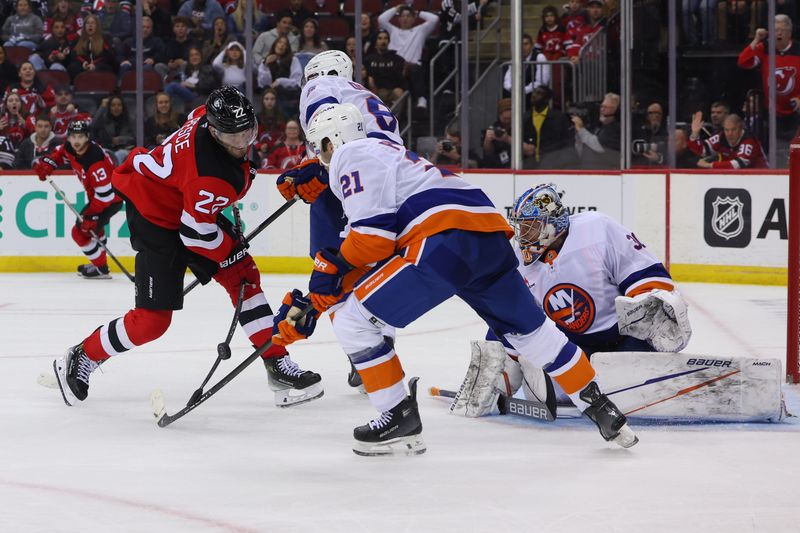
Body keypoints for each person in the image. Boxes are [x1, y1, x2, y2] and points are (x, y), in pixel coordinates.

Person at [273, 104, 639, 455]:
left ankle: (398, 416)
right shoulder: (389, 154)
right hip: (488, 234)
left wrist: (324, 281)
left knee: (353, 321)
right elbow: (371, 249)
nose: (320, 157)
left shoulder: (348, 157)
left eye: (319, 147)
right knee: (531, 333)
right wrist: (317, 298)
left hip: (444, 240)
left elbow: (371, 242)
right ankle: (600, 406)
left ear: (331, 140)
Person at [51, 86, 323, 409]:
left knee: (243, 275)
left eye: (248, 133)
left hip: (182, 203)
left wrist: (230, 254)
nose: (243, 144)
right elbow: (196, 234)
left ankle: (275, 360)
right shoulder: (209, 176)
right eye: (234, 138)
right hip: (154, 215)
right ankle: (83, 355)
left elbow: (200, 209)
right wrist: (227, 249)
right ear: (215, 131)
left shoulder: (205, 120)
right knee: (152, 321)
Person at [453, 184, 691, 418]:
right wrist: (496, 372)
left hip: (626, 336)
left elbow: (643, 271)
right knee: (551, 389)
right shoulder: (518, 264)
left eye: (531, 227)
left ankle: (657, 366)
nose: (523, 236)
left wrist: (649, 304)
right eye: (522, 227)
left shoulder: (597, 229)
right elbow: (514, 318)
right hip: (575, 348)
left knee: (658, 308)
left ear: (552, 224)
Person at [276, 50, 403, 390]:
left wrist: (316, 169)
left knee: (329, 267)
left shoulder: (322, 85)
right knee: (370, 264)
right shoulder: (370, 98)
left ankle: (363, 351)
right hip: (386, 183)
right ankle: (381, 342)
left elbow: (331, 132)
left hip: (348, 180)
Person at [33, 120, 123, 278]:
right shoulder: (70, 147)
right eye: (73, 136)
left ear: (87, 137)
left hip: (110, 201)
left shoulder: (95, 160)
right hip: (98, 197)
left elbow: (106, 195)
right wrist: (50, 165)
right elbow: (60, 154)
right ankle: (99, 261)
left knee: (79, 232)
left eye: (80, 136)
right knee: (93, 229)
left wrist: (91, 215)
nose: (76, 141)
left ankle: (101, 268)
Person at [737, 14, 800, 160]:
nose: (779, 33)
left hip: (796, 109)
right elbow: (743, 62)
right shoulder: (764, 48)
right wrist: (756, 39)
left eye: (782, 30)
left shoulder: (798, 50)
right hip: (772, 110)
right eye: (775, 30)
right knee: (776, 153)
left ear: (789, 32)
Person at [378, 5, 439, 109]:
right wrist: (396, 8)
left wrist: (417, 12)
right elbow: (381, 19)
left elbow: (434, 19)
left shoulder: (420, 31)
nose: (405, 18)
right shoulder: (392, 31)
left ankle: (421, 98)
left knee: (415, 69)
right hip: (395, 66)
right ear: (398, 18)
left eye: (408, 16)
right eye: (402, 16)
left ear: (414, 18)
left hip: (413, 66)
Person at [688, 112, 768, 169]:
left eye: (733, 130)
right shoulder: (721, 136)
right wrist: (695, 134)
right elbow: (702, 151)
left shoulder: (749, 141)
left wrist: (710, 165)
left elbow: (738, 164)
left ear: (740, 129)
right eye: (727, 130)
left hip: (759, 177)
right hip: (733, 178)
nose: (730, 134)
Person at [522, 84, 574, 169]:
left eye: (539, 93)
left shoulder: (558, 118)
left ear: (547, 99)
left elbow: (566, 141)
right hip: (528, 164)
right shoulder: (525, 118)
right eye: (534, 92)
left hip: (552, 164)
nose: (534, 95)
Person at [573, 92, 621, 169]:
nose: (602, 109)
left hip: (606, 174)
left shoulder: (617, 128)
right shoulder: (598, 127)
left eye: (606, 107)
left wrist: (581, 130)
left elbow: (599, 146)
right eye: (601, 106)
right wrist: (578, 134)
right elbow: (583, 148)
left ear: (616, 110)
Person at [364, 29, 406, 107]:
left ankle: (394, 118)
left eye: (385, 38)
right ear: (375, 41)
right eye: (380, 38)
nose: (383, 41)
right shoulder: (368, 59)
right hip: (374, 91)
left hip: (391, 90)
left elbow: (398, 77)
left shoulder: (397, 59)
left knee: (399, 92)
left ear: (389, 41)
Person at [66, 14, 115, 80]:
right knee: (72, 67)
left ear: (97, 26)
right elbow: (73, 56)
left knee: (106, 68)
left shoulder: (104, 39)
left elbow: (108, 57)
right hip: (82, 66)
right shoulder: (78, 39)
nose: (90, 25)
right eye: (87, 23)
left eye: (93, 23)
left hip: (99, 66)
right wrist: (83, 63)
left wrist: (95, 65)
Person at [503, 33, 550, 100]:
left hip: (534, 96)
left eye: (526, 44)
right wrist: (512, 89)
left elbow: (542, 81)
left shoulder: (540, 57)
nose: (523, 47)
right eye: (520, 45)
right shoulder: (514, 59)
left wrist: (524, 90)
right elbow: (507, 81)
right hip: (516, 95)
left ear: (532, 45)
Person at [91, 95, 135, 165]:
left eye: (119, 105)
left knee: (120, 154)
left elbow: (135, 137)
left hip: (125, 149)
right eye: (113, 105)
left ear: (123, 107)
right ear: (109, 107)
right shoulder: (104, 120)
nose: (116, 108)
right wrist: (102, 107)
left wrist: (120, 140)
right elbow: (93, 126)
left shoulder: (130, 120)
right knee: (105, 154)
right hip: (108, 149)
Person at [255, 87, 287, 161]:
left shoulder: (282, 117)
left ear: (276, 101)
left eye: (272, 99)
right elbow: (252, 138)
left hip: (280, 150)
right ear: (263, 101)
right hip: (262, 152)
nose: (269, 102)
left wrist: (281, 142)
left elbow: (287, 134)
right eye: (266, 99)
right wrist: (259, 146)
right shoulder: (257, 118)